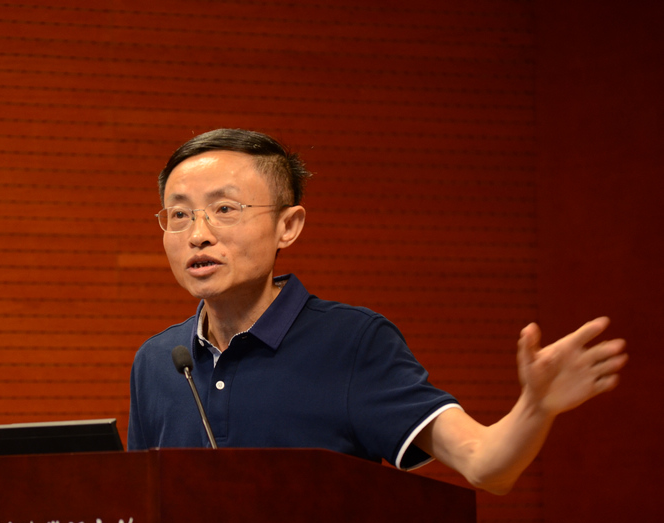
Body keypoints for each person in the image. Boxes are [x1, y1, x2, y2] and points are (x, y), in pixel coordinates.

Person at [127, 128, 628, 495]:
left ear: (288, 226)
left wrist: (535, 407)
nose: (198, 234)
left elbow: (485, 465)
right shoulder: (158, 360)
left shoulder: (352, 342)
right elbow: (136, 509)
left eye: (225, 209)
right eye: (180, 214)